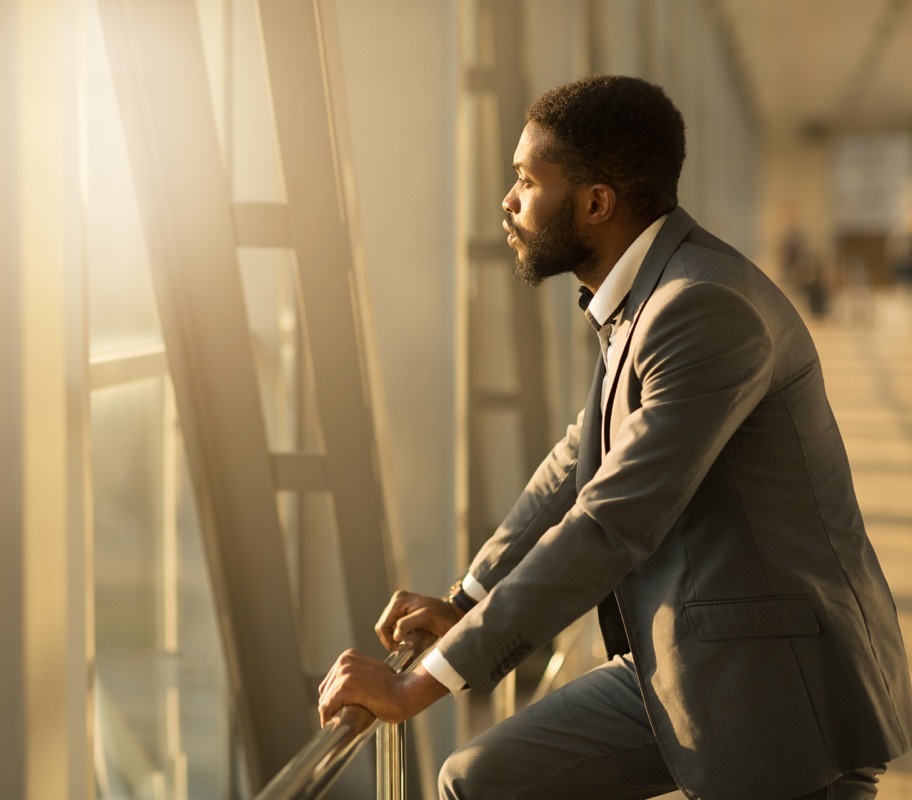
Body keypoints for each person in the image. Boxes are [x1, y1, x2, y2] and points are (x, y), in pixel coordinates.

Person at [316, 74, 912, 800]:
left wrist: (422, 685)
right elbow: (576, 460)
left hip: (777, 684)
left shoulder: (701, 308)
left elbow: (612, 520)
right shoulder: (647, 297)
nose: (507, 203)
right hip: (686, 658)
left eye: (526, 181)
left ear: (597, 203)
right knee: (479, 781)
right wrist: (468, 598)